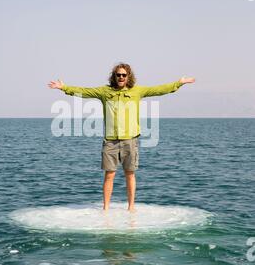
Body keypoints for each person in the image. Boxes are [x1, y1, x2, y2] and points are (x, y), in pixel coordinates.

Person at [48, 63, 195, 211]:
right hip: (110, 141)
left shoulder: (137, 91)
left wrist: (179, 83)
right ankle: (106, 208)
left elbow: (158, 90)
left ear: (128, 76)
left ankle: (131, 207)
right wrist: (64, 87)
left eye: (124, 75)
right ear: (114, 76)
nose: (121, 77)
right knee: (109, 174)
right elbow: (84, 92)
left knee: (130, 174)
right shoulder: (105, 91)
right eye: (118, 75)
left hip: (130, 140)